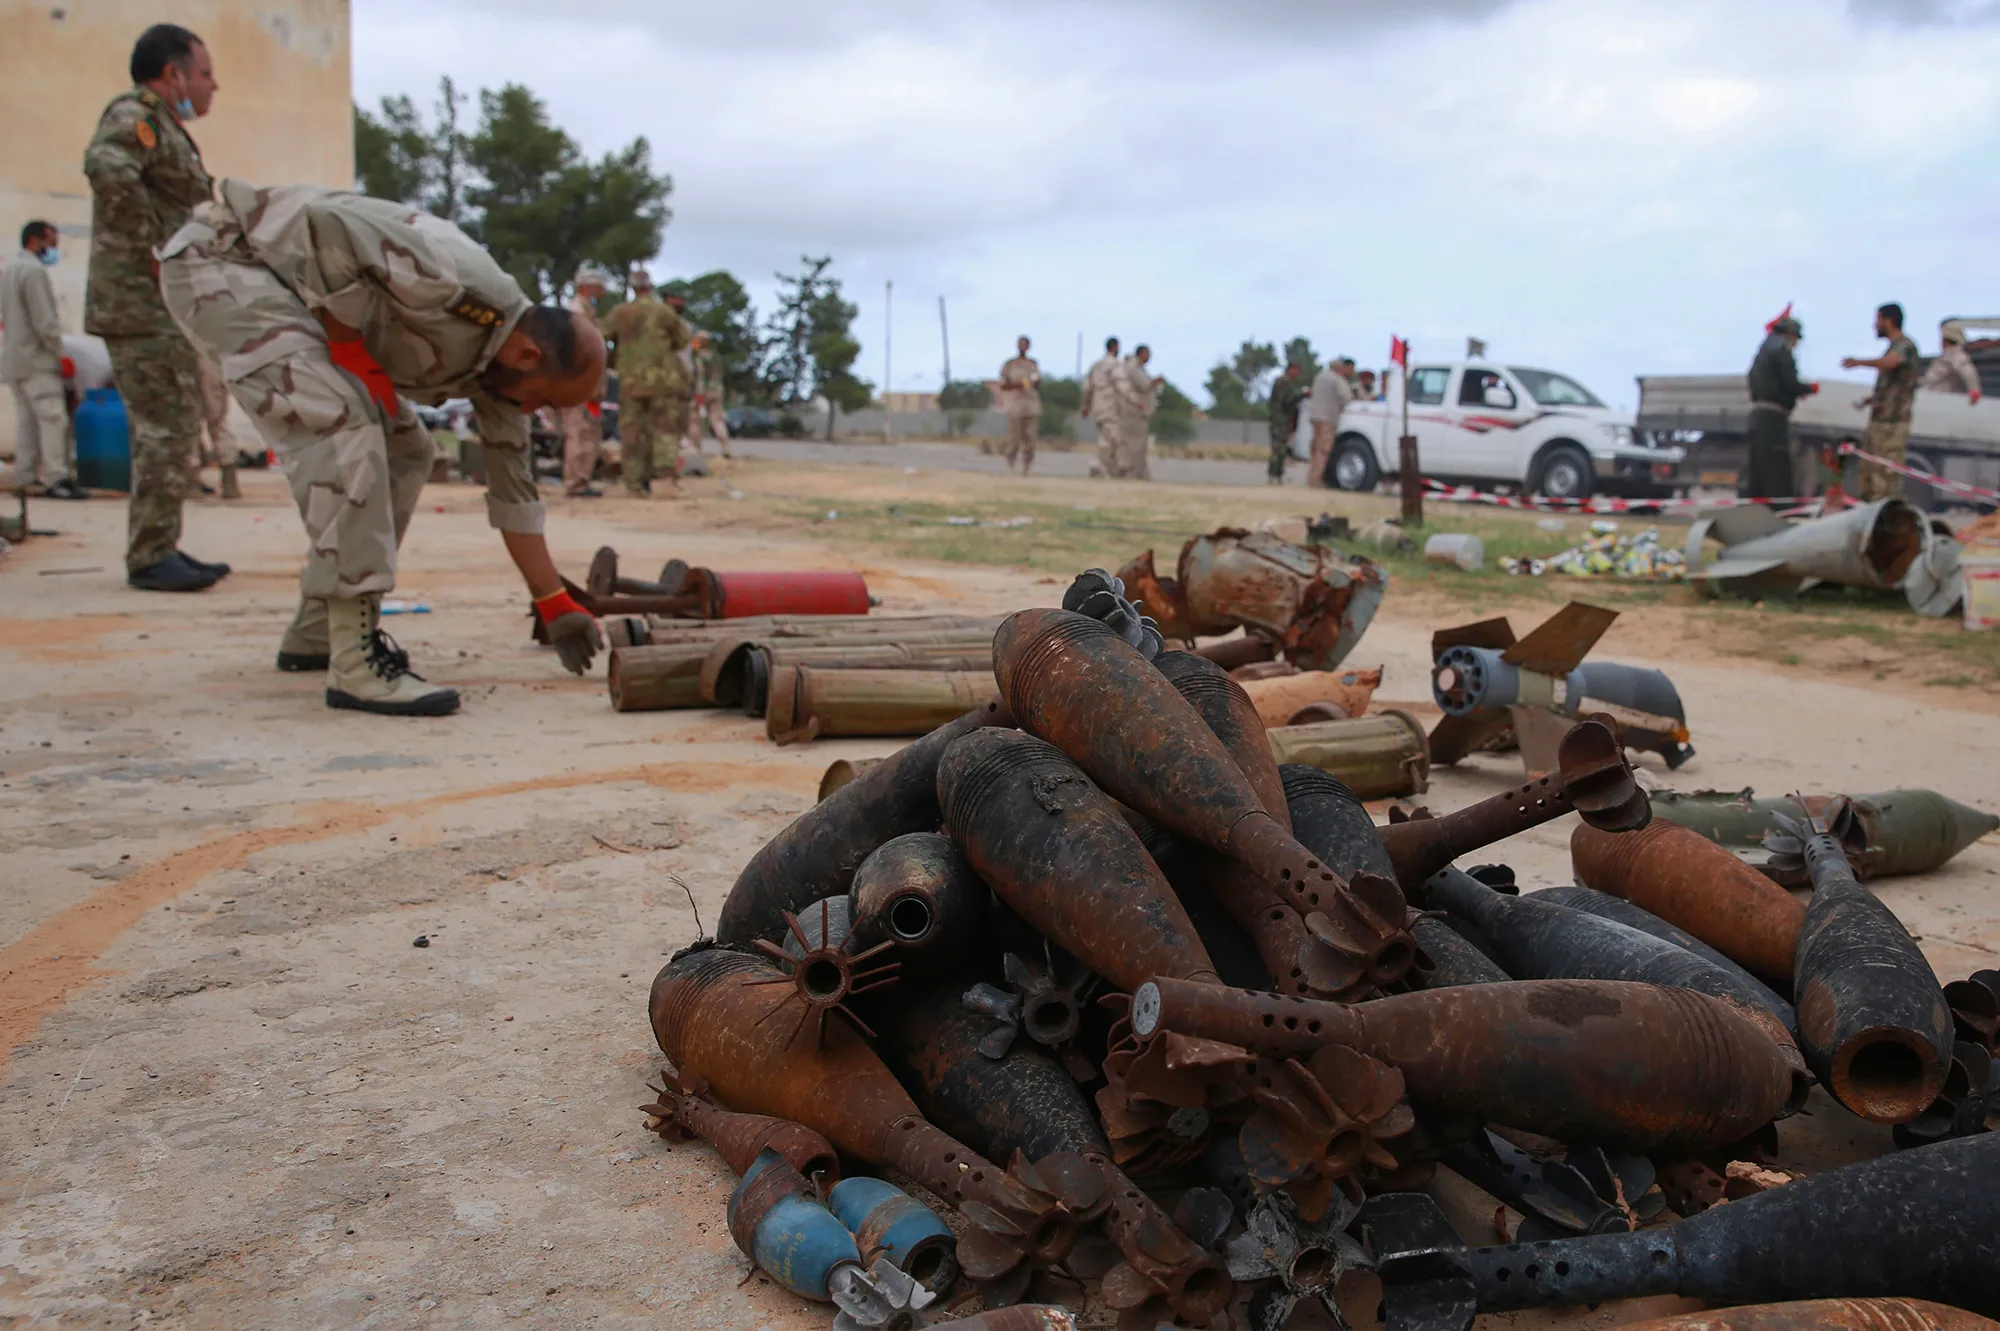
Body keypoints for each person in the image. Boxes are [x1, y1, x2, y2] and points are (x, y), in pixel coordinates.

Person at [159, 180, 607, 717]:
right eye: (544, 401)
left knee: (408, 448)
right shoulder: (454, 280)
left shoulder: (500, 375)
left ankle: (319, 628)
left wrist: (553, 602)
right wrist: (348, 346)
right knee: (345, 420)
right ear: (530, 356)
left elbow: (515, 497)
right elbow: (329, 223)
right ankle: (355, 663)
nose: (537, 413)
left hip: (285, 293)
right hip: (224, 263)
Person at [83, 22, 227, 592]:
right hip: (139, 303)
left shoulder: (161, 126)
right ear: (174, 74)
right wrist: (154, 248)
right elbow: (106, 166)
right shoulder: (136, 116)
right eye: (206, 73)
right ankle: (149, 555)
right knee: (165, 426)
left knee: (176, 421)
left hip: (157, 305)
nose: (213, 86)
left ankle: (160, 543)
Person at [2, 221, 85, 499]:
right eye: (52, 242)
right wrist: (61, 354)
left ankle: (25, 477)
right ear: (36, 241)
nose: (54, 249)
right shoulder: (34, 272)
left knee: (27, 420)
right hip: (37, 360)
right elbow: (44, 321)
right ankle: (56, 478)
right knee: (53, 419)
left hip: (14, 358)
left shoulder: (9, 269)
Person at [601, 270, 691, 497]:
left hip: (630, 382)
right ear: (651, 287)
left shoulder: (620, 313)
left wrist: (618, 358)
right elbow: (682, 340)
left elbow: (602, 337)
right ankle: (664, 480)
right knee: (664, 430)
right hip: (662, 381)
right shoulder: (664, 312)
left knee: (631, 432)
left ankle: (633, 483)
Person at [1841, 303, 1921, 502]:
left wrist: (1859, 363)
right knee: (1868, 474)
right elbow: (1892, 385)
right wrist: (1870, 400)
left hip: (1892, 423)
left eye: (1877, 320)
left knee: (1885, 477)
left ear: (1888, 321)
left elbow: (1890, 363)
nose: (1874, 325)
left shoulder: (1905, 346)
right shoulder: (1893, 348)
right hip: (1880, 420)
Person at [1743, 312, 1816, 501]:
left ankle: (1756, 508)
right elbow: (1789, 382)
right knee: (1776, 468)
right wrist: (1808, 388)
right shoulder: (1782, 350)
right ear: (1790, 335)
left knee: (1758, 468)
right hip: (1773, 418)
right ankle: (1780, 509)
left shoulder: (1762, 350)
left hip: (1757, 415)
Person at [558, 262, 612, 497]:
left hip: (589, 385)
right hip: (579, 383)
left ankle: (582, 478)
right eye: (599, 288)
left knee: (589, 431)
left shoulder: (587, 312)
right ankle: (575, 482)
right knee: (579, 432)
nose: (602, 293)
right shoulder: (576, 313)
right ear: (587, 287)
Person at [193, 351, 240, 499]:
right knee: (218, 424)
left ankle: (192, 482)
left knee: (190, 428)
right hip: (212, 361)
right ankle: (230, 484)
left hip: (188, 362)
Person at [1304, 357, 1354, 488]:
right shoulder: (1338, 380)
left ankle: (1311, 477)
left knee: (1315, 448)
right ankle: (1316, 479)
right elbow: (1346, 398)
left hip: (1315, 417)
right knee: (1324, 449)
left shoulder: (1319, 377)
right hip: (1328, 418)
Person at [1112, 344, 1161, 479]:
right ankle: (1129, 471)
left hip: (1137, 412)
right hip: (1134, 411)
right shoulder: (1133, 368)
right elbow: (1144, 385)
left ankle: (1137, 471)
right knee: (1133, 444)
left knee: (1138, 444)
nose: (1149, 357)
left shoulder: (1136, 368)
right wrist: (1155, 382)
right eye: (1147, 353)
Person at [998, 335, 1042, 475]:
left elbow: (1037, 383)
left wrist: (1034, 383)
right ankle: (1010, 465)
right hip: (1015, 405)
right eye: (1021, 344)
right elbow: (1003, 385)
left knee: (1031, 438)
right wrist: (1016, 385)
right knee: (1014, 438)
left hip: (1030, 404)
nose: (1023, 347)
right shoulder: (1010, 364)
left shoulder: (1033, 364)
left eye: (1025, 344)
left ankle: (1027, 467)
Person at [1082, 336, 1122, 478]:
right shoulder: (1116, 366)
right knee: (1111, 438)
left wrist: (1085, 406)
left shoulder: (1096, 366)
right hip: (1111, 406)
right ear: (1115, 347)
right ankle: (1097, 465)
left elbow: (1087, 388)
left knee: (1107, 437)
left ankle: (1109, 468)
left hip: (1097, 406)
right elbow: (1122, 386)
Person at [687, 330, 731, 457]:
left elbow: (700, 376)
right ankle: (725, 447)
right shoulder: (716, 357)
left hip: (702, 391)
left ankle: (696, 448)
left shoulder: (698, 356)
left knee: (694, 419)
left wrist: (698, 396)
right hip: (717, 390)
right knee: (717, 420)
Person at [1267, 361, 1308, 486]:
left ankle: (1278, 475)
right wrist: (1301, 394)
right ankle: (1274, 475)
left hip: (1284, 420)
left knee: (1282, 448)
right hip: (1280, 420)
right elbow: (1287, 400)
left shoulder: (1288, 382)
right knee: (1278, 448)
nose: (1298, 373)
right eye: (1297, 370)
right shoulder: (1283, 382)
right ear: (1291, 369)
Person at [1922, 326, 1984, 403]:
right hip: (1932, 396)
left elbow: (1968, 372)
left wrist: (1974, 390)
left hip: (1943, 398)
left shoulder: (1957, 355)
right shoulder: (1948, 355)